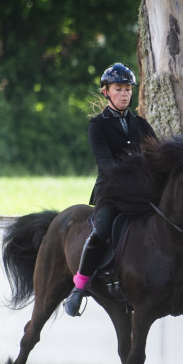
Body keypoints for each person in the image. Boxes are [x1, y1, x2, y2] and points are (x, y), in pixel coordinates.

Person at [63, 62, 158, 317]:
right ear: (106, 91)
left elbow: (157, 155)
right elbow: (107, 164)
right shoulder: (98, 125)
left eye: (128, 89)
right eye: (119, 89)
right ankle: (79, 287)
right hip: (111, 190)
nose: (125, 94)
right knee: (102, 229)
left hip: (141, 191)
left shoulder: (140, 124)